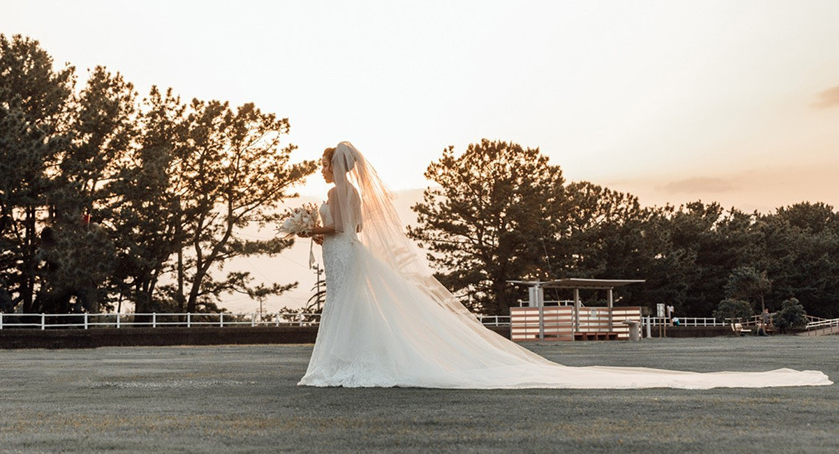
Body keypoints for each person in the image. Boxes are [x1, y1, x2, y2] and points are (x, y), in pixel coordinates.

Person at [297, 142, 831, 389]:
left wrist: (309, 230)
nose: (322, 169)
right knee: (349, 312)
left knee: (348, 312)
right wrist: (320, 230)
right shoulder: (353, 192)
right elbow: (361, 230)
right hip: (348, 257)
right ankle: (345, 364)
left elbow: (346, 231)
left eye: (323, 162)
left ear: (336, 166)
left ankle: (347, 366)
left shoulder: (341, 192)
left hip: (343, 254)